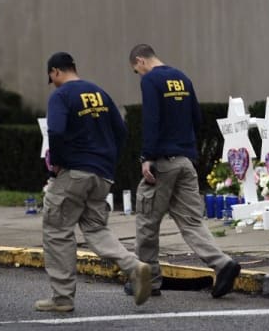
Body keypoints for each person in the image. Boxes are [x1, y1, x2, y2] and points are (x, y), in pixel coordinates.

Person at [36, 52, 151, 312]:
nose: (52, 82)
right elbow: (121, 131)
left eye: (51, 77)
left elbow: (55, 130)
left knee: (57, 230)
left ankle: (62, 298)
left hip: (73, 172)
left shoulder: (61, 95)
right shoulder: (100, 93)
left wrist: (57, 164)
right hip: (102, 174)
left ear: (55, 72)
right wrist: (108, 159)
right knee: (96, 228)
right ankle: (134, 266)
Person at [126, 44, 241, 298]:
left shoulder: (151, 81)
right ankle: (223, 264)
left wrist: (147, 156)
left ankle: (148, 281)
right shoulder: (182, 77)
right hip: (186, 162)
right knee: (191, 222)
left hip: (162, 163)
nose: (139, 74)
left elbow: (151, 119)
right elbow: (196, 118)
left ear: (140, 61)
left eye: (137, 70)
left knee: (147, 223)